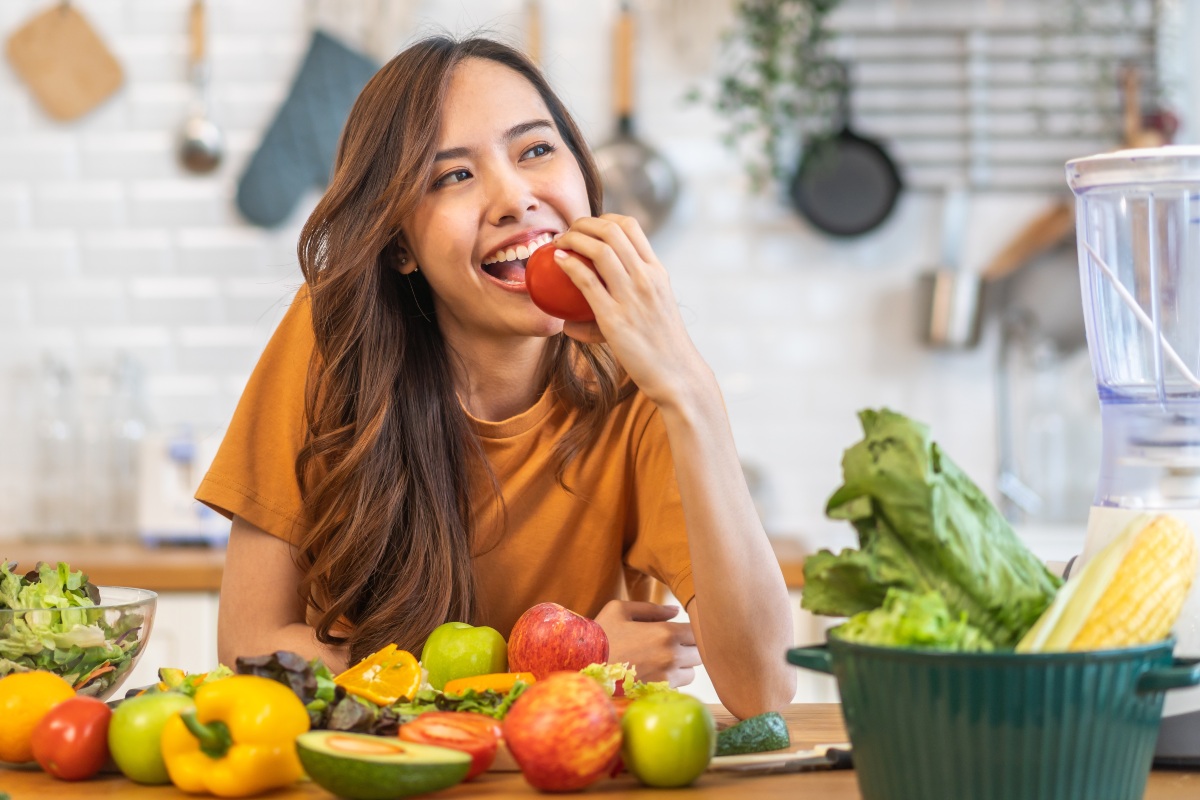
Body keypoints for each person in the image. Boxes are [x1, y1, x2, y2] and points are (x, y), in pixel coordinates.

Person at [197, 35, 793, 718]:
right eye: (452, 176)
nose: (514, 197)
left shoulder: (641, 384)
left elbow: (763, 689)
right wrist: (564, 664)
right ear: (400, 247)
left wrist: (690, 387)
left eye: (536, 150)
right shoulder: (332, 339)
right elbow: (252, 651)